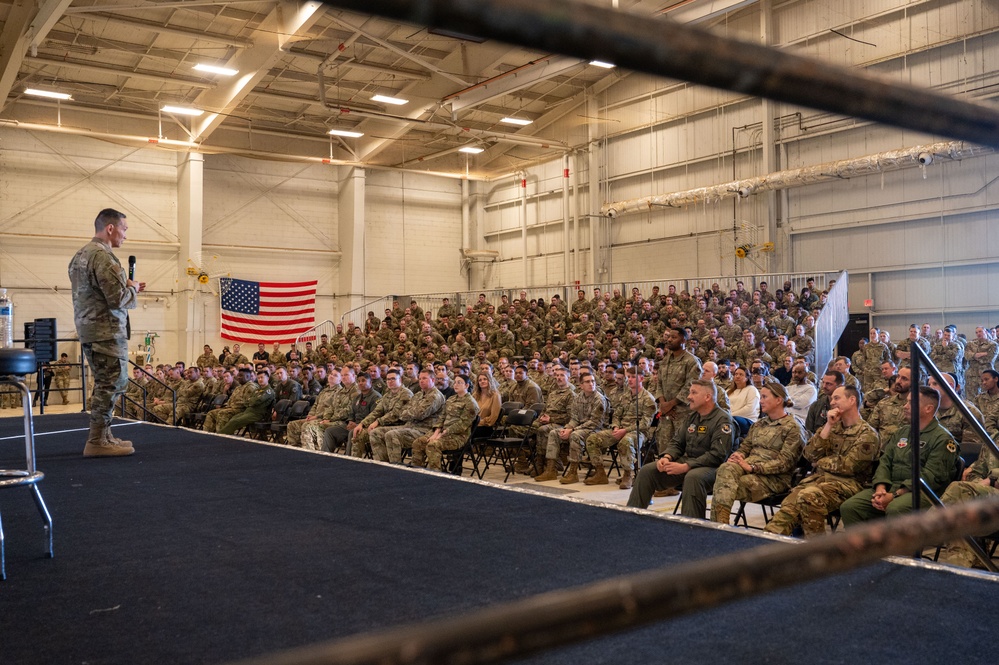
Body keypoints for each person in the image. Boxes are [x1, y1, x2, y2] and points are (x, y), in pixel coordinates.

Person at [69, 208, 145, 457]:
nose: (125, 235)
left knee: (106, 382)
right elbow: (117, 298)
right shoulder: (103, 257)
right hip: (106, 330)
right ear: (110, 228)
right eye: (124, 229)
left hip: (91, 328)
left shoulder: (81, 255)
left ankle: (104, 435)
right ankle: (97, 440)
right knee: (112, 382)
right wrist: (132, 288)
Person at [764, 386, 880, 538]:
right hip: (818, 481)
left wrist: (820, 462)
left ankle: (817, 550)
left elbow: (850, 467)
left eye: (837, 398)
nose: (832, 402)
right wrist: (829, 425)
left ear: (852, 400)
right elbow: (809, 454)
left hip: (848, 485)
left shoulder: (867, 434)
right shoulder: (831, 426)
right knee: (786, 510)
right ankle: (769, 543)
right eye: (832, 399)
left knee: (809, 497)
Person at [840, 386, 959, 526]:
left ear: (928, 409)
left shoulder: (943, 439)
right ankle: (863, 548)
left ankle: (898, 548)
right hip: (892, 487)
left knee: (895, 509)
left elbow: (932, 476)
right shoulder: (902, 432)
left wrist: (895, 495)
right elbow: (885, 461)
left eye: (911, 403)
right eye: (906, 401)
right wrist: (881, 488)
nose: (905, 406)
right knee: (850, 507)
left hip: (924, 493)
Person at [627, 379, 735, 516]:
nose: (689, 397)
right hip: (688, 463)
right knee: (647, 471)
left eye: (693, 393)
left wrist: (687, 466)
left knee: (693, 477)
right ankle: (632, 516)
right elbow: (677, 442)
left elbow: (718, 455)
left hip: (714, 468)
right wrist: (667, 457)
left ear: (707, 397)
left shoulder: (723, 420)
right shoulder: (693, 417)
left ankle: (691, 527)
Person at [711, 382, 807, 524]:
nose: (760, 401)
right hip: (748, 468)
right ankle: (721, 525)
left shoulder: (793, 427)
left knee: (725, 486)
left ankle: (718, 527)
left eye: (764, 397)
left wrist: (754, 468)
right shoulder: (759, 424)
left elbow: (785, 463)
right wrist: (739, 455)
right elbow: (745, 447)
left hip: (774, 479)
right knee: (725, 468)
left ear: (778, 400)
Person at [584, 367, 656, 489]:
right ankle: (600, 473)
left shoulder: (648, 399)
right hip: (620, 429)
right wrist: (616, 426)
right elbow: (617, 414)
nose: (630, 380)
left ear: (641, 379)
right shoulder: (625, 396)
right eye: (629, 377)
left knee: (626, 442)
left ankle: (628, 475)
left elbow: (645, 424)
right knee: (592, 439)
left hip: (638, 432)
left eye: (634, 377)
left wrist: (625, 431)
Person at [547, 371, 607, 485]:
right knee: (554, 433)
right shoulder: (578, 397)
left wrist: (573, 430)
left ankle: (573, 473)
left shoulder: (599, 399)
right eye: (587, 382)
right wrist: (567, 428)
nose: (591, 384)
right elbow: (574, 418)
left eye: (593, 381)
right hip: (580, 428)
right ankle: (551, 469)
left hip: (595, 429)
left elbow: (595, 422)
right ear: (581, 385)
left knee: (575, 436)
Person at [410, 375, 479, 471]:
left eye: (459, 382)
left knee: (433, 445)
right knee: (418, 442)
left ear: (466, 386)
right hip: (442, 432)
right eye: (455, 382)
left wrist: (441, 434)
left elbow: (462, 425)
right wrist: (436, 433)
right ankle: (417, 471)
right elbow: (442, 417)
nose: (456, 385)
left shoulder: (471, 403)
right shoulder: (451, 399)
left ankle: (436, 474)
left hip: (458, 436)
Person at [220, 369, 276, 435]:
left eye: (262, 377)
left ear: (268, 379)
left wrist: (251, 400)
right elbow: (246, 402)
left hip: (257, 414)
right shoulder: (257, 390)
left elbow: (256, 401)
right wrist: (251, 401)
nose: (260, 379)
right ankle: (225, 436)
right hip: (248, 411)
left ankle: (220, 436)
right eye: (258, 378)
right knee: (233, 419)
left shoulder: (268, 391)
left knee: (235, 421)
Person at [726, 366, 760, 434]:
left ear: (747, 378)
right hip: (729, 417)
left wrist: (730, 415)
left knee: (732, 420)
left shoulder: (752, 389)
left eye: (741, 374)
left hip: (748, 420)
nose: (737, 376)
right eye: (736, 374)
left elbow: (750, 409)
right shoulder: (728, 391)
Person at [471, 372, 501, 439]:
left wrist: (479, 422)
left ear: (489, 381)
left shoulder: (495, 396)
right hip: (474, 424)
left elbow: (493, 417)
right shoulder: (475, 395)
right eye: (480, 380)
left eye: (485, 379)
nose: (482, 381)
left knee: (467, 432)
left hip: (486, 427)